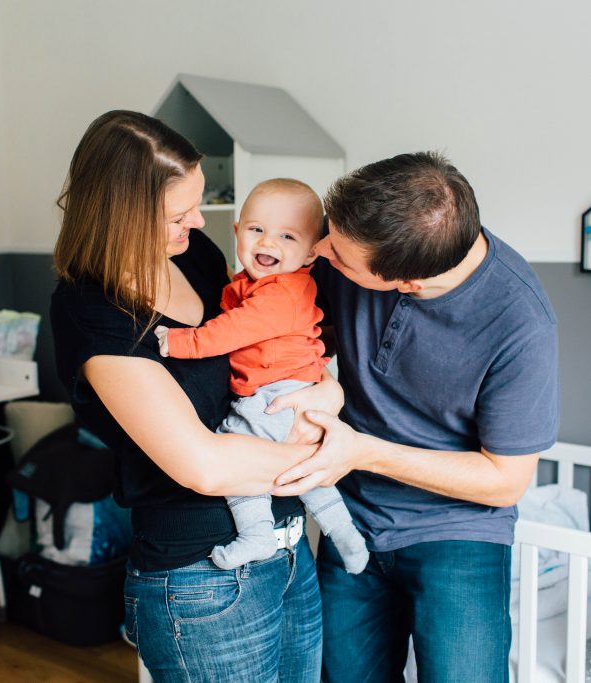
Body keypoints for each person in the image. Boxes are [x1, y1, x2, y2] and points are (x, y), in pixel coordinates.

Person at [50, 111, 341, 682]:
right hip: (201, 579)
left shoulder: (197, 256)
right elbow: (203, 465)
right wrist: (332, 454)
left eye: (197, 205)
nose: (199, 222)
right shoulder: (93, 312)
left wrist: (328, 390)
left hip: (286, 550)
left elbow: (274, 344)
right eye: (178, 215)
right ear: (122, 218)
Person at [272, 152, 559, 683]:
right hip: (352, 519)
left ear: (405, 284)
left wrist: (363, 450)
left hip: (458, 534)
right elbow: (304, 334)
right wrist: (327, 383)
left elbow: (505, 481)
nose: (319, 251)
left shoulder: (520, 325)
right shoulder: (371, 244)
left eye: (335, 252)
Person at [154, 178, 369, 574]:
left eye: (287, 236)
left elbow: (230, 331)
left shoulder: (281, 294)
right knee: (311, 477)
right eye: (256, 230)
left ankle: (256, 535)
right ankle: (347, 538)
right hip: (287, 389)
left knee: (238, 456)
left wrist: (180, 342)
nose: (268, 243)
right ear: (237, 232)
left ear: (310, 255)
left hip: (275, 394)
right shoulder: (254, 284)